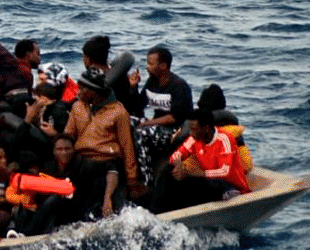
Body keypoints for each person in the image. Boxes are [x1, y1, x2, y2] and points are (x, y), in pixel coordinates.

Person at [63, 66, 142, 205]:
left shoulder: (119, 112)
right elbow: (68, 137)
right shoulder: (77, 107)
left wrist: (132, 181)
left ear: (93, 92)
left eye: (82, 89)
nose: (78, 91)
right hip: (81, 163)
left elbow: (127, 147)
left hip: (106, 164)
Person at [151, 109, 248, 212]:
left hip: (228, 185)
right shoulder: (194, 138)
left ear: (205, 128)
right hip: (206, 179)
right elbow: (175, 156)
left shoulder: (224, 139)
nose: (191, 133)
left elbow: (224, 171)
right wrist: (178, 166)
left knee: (210, 184)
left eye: (193, 129)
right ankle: (156, 211)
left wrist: (190, 173)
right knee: (168, 170)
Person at [128, 44, 193, 185]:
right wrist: (134, 88)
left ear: (163, 66)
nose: (147, 67)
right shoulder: (152, 82)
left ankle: (147, 181)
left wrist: (148, 123)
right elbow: (138, 107)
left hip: (175, 131)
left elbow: (176, 117)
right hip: (156, 125)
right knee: (126, 121)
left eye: (151, 64)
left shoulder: (179, 86)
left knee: (141, 133)